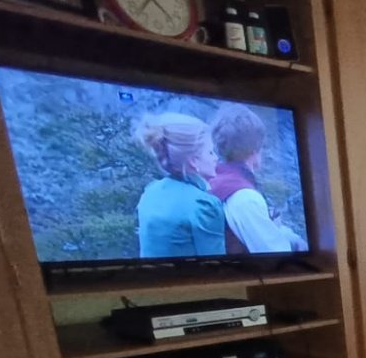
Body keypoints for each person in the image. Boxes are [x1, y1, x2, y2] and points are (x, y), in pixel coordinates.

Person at [207, 104, 308, 255]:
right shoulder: (245, 197)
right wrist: (296, 244)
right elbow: (276, 252)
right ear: (256, 150)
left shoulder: (214, 180)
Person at [132, 113, 225, 259]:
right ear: (193, 161)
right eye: (210, 152)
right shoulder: (203, 205)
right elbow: (216, 264)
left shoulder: (150, 192)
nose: (216, 158)